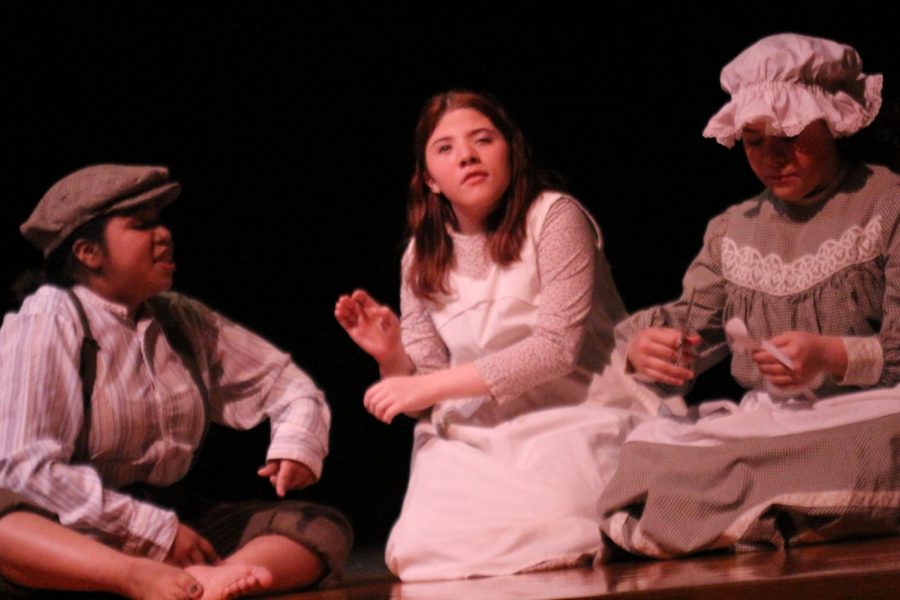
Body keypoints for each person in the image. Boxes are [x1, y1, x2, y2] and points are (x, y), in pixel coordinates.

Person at [601, 33, 900, 558]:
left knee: (875, 439)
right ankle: (791, 512)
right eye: (754, 141)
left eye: (787, 133)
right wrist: (649, 347)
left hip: (874, 409)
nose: (772, 156)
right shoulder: (733, 230)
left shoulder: (887, 202)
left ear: (830, 121)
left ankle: (773, 511)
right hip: (781, 421)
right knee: (651, 447)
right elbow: (692, 326)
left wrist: (829, 355)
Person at [0, 164, 352, 599]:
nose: (163, 235)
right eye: (141, 225)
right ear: (89, 252)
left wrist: (295, 444)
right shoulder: (50, 319)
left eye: (160, 222)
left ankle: (208, 582)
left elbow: (287, 384)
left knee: (319, 526)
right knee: (4, 526)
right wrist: (154, 531)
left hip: (170, 515)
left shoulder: (178, 318)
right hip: (68, 528)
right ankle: (133, 578)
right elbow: (25, 471)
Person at [335, 90, 645, 581]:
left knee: (554, 528)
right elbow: (422, 395)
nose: (467, 156)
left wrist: (423, 386)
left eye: (483, 139)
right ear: (429, 180)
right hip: (476, 432)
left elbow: (556, 350)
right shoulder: (421, 255)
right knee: (422, 549)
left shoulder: (555, 217)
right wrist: (391, 356)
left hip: (573, 411)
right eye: (445, 149)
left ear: (511, 152)